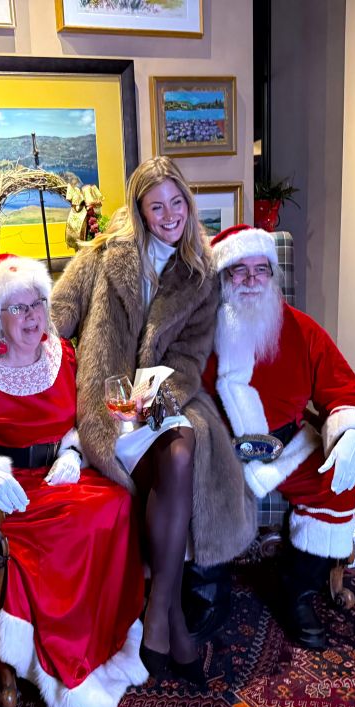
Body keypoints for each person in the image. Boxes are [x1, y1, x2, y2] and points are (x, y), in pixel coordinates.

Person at [50, 157, 254, 679]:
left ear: (188, 202)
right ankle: (173, 623)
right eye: (156, 205)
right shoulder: (101, 257)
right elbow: (57, 314)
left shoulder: (201, 272)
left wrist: (159, 396)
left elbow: (190, 357)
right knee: (174, 459)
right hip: (107, 404)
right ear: (140, 211)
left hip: (163, 399)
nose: (170, 215)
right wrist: (5, 331)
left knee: (183, 448)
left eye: (177, 202)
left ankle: (157, 614)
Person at [0, 254, 148, 707]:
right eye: (19, 308)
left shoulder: (61, 354)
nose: (33, 317)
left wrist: (72, 453)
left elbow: (79, 418)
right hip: (6, 487)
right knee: (64, 531)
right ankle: (65, 666)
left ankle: (110, 639)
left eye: (39, 304)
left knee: (114, 502)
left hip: (60, 474)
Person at [202, 224, 355, 649]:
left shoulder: (303, 331)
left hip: (287, 446)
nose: (250, 281)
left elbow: (344, 392)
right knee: (191, 490)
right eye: (238, 272)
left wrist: (351, 433)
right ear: (222, 278)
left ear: (273, 276)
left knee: (335, 484)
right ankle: (205, 594)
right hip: (217, 449)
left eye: (260, 270)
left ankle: (297, 590)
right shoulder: (198, 334)